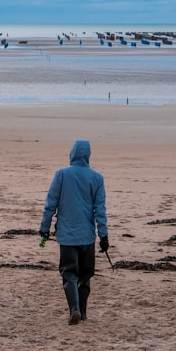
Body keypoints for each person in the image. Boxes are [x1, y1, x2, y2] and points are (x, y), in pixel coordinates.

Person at [38, 139, 109, 325]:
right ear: (88, 155)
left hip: (67, 237)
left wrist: (44, 228)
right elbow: (100, 210)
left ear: (72, 154)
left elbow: (50, 204)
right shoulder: (97, 177)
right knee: (85, 275)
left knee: (69, 273)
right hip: (87, 237)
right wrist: (104, 235)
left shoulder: (61, 175)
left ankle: (74, 309)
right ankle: (83, 312)